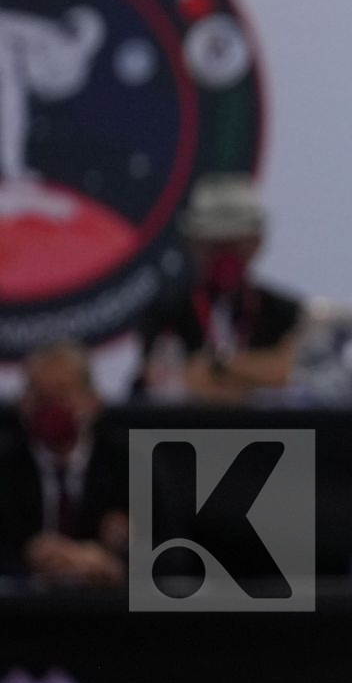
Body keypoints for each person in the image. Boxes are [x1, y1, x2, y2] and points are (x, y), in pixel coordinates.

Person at [136, 174, 304, 403]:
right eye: (216, 245)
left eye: (235, 244)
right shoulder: (166, 310)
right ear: (194, 244)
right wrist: (256, 373)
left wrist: (216, 369)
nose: (226, 255)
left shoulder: (285, 312)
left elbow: (292, 376)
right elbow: (164, 383)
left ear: (256, 243)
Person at [0, 343, 128, 584]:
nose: (51, 407)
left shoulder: (127, 462)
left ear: (94, 401)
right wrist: (31, 561)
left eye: (62, 394)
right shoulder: (6, 466)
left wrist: (116, 560)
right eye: (41, 396)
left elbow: (175, 554)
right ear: (24, 403)